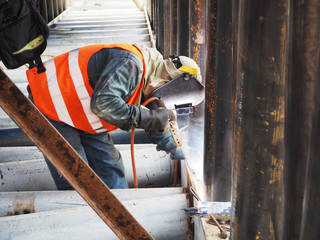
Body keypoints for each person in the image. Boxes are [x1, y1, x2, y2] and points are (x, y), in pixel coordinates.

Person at [26, 43, 202, 190]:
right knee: (76, 175)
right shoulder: (132, 65)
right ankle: (86, 224)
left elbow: (154, 118)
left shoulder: (151, 79)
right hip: (51, 103)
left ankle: (122, 214)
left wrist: (174, 147)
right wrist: (149, 118)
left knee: (111, 166)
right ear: (168, 83)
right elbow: (103, 103)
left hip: (81, 111)